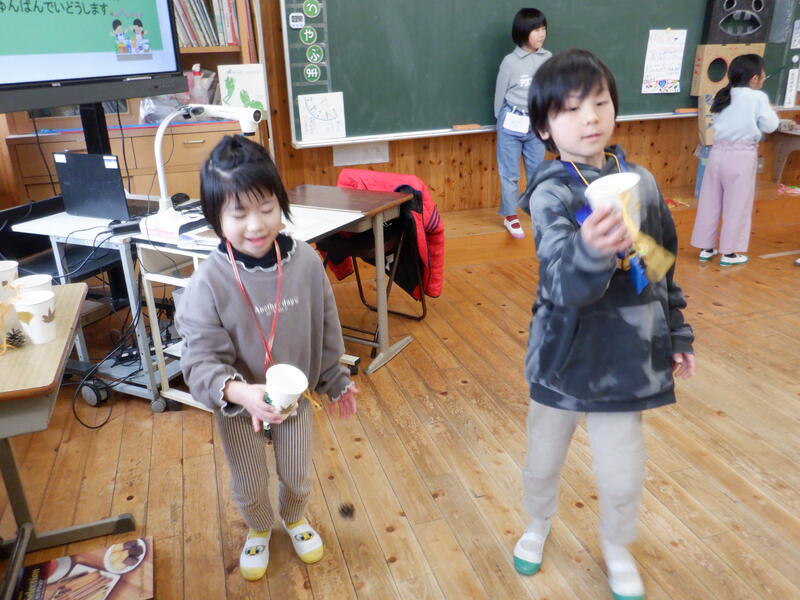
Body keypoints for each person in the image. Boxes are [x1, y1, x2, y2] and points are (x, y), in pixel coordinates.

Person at [515, 49, 695, 600]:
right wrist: (591, 250)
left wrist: (677, 330)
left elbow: (661, 265)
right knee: (543, 457)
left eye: (599, 103)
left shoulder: (640, 181)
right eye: (570, 109)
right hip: (562, 355)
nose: (589, 118)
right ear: (545, 127)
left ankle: (617, 547)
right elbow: (562, 282)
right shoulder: (552, 191)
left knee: (622, 472)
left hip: (626, 356)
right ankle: (537, 524)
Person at [175, 135, 358, 581]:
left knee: (296, 474)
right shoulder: (208, 282)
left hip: (294, 401)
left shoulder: (306, 262)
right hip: (240, 407)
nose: (255, 225)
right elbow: (199, 361)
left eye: (266, 207)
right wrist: (242, 394)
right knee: (250, 479)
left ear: (281, 204)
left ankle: (294, 517)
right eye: (238, 213)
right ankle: (259, 527)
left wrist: (336, 379)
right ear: (216, 218)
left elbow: (326, 326)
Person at [690, 54, 779, 266]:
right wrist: (771, 111)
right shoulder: (758, 98)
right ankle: (729, 253)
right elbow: (770, 126)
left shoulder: (723, 94)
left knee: (710, 201)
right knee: (737, 205)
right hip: (741, 156)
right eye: (762, 75)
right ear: (754, 78)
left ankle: (706, 248)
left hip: (716, 153)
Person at [494, 8, 551, 239]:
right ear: (522, 32)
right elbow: (499, 97)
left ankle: (538, 211)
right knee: (509, 174)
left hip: (536, 123)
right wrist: (502, 122)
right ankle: (510, 216)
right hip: (511, 122)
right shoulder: (510, 62)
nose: (541, 34)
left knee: (537, 172)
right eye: (536, 30)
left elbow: (550, 91)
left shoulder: (548, 58)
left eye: (543, 29)